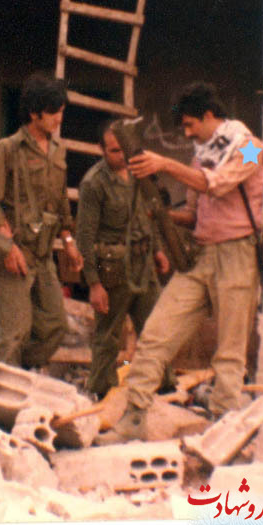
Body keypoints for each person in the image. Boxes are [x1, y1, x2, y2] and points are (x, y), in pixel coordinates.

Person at [107, 81, 263, 440]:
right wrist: (161, 214)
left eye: (192, 125)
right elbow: (194, 214)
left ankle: (224, 429)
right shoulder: (202, 155)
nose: (188, 133)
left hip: (238, 256)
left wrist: (164, 164)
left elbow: (217, 184)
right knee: (155, 335)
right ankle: (134, 417)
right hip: (201, 255)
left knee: (229, 352)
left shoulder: (250, 148)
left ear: (209, 115)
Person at [0, 74, 84, 368]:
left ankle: (16, 372)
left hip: (44, 253)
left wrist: (69, 240)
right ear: (35, 113)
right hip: (17, 251)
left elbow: (60, 200)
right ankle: (5, 386)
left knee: (55, 325)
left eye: (62, 111)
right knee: (15, 333)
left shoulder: (58, 150)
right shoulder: (7, 149)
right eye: (53, 112)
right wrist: (7, 246)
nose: (59, 119)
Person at [76, 120, 172, 399]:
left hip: (143, 265)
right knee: (108, 336)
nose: (121, 156)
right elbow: (85, 237)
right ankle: (100, 391)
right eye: (114, 151)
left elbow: (147, 214)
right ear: (102, 150)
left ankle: (165, 387)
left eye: (123, 149)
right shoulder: (94, 183)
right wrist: (94, 284)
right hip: (113, 269)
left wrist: (157, 250)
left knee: (155, 329)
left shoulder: (139, 173)